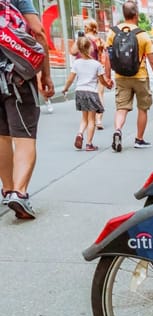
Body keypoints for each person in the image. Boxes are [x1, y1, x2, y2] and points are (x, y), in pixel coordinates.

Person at [0, 0, 54, 219]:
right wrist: (45, 74)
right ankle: (19, 193)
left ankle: (8, 190)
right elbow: (38, 31)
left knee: (2, 136)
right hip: (17, 75)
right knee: (24, 136)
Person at [104, 0, 153, 152]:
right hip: (140, 76)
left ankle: (118, 130)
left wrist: (107, 77)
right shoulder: (142, 35)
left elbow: (108, 57)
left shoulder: (113, 32)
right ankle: (139, 139)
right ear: (136, 14)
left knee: (121, 108)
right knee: (142, 108)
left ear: (123, 14)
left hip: (120, 76)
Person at [61, 37, 113, 152]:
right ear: (90, 48)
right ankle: (89, 144)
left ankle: (80, 134)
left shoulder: (76, 63)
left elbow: (70, 79)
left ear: (79, 49)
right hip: (91, 93)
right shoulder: (96, 64)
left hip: (80, 92)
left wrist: (65, 88)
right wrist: (108, 85)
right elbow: (102, 80)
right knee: (91, 120)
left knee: (84, 118)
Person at [70, 18, 106, 130]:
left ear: (87, 28)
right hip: (97, 68)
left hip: (83, 70)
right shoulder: (99, 40)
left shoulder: (82, 40)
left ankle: (88, 119)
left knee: (86, 91)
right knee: (99, 94)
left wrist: (79, 39)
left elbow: (73, 52)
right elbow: (104, 55)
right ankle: (98, 119)